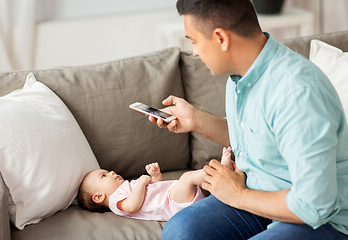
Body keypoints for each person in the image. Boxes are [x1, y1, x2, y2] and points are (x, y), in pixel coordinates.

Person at [147, 0, 348, 239]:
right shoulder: (241, 77)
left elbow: (314, 205)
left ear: (221, 38)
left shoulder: (298, 92)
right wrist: (195, 120)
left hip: (319, 219)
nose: (195, 52)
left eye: (194, 40)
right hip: (257, 196)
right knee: (180, 231)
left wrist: (238, 194)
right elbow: (253, 138)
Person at [78, 154, 235, 221]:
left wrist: (155, 177)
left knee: (199, 184)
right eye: (104, 176)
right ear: (99, 197)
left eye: (107, 171)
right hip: (172, 204)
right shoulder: (115, 202)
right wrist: (140, 183)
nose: (111, 172)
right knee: (188, 178)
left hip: (172, 196)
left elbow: (155, 190)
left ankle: (222, 181)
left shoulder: (127, 187)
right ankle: (222, 171)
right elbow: (132, 206)